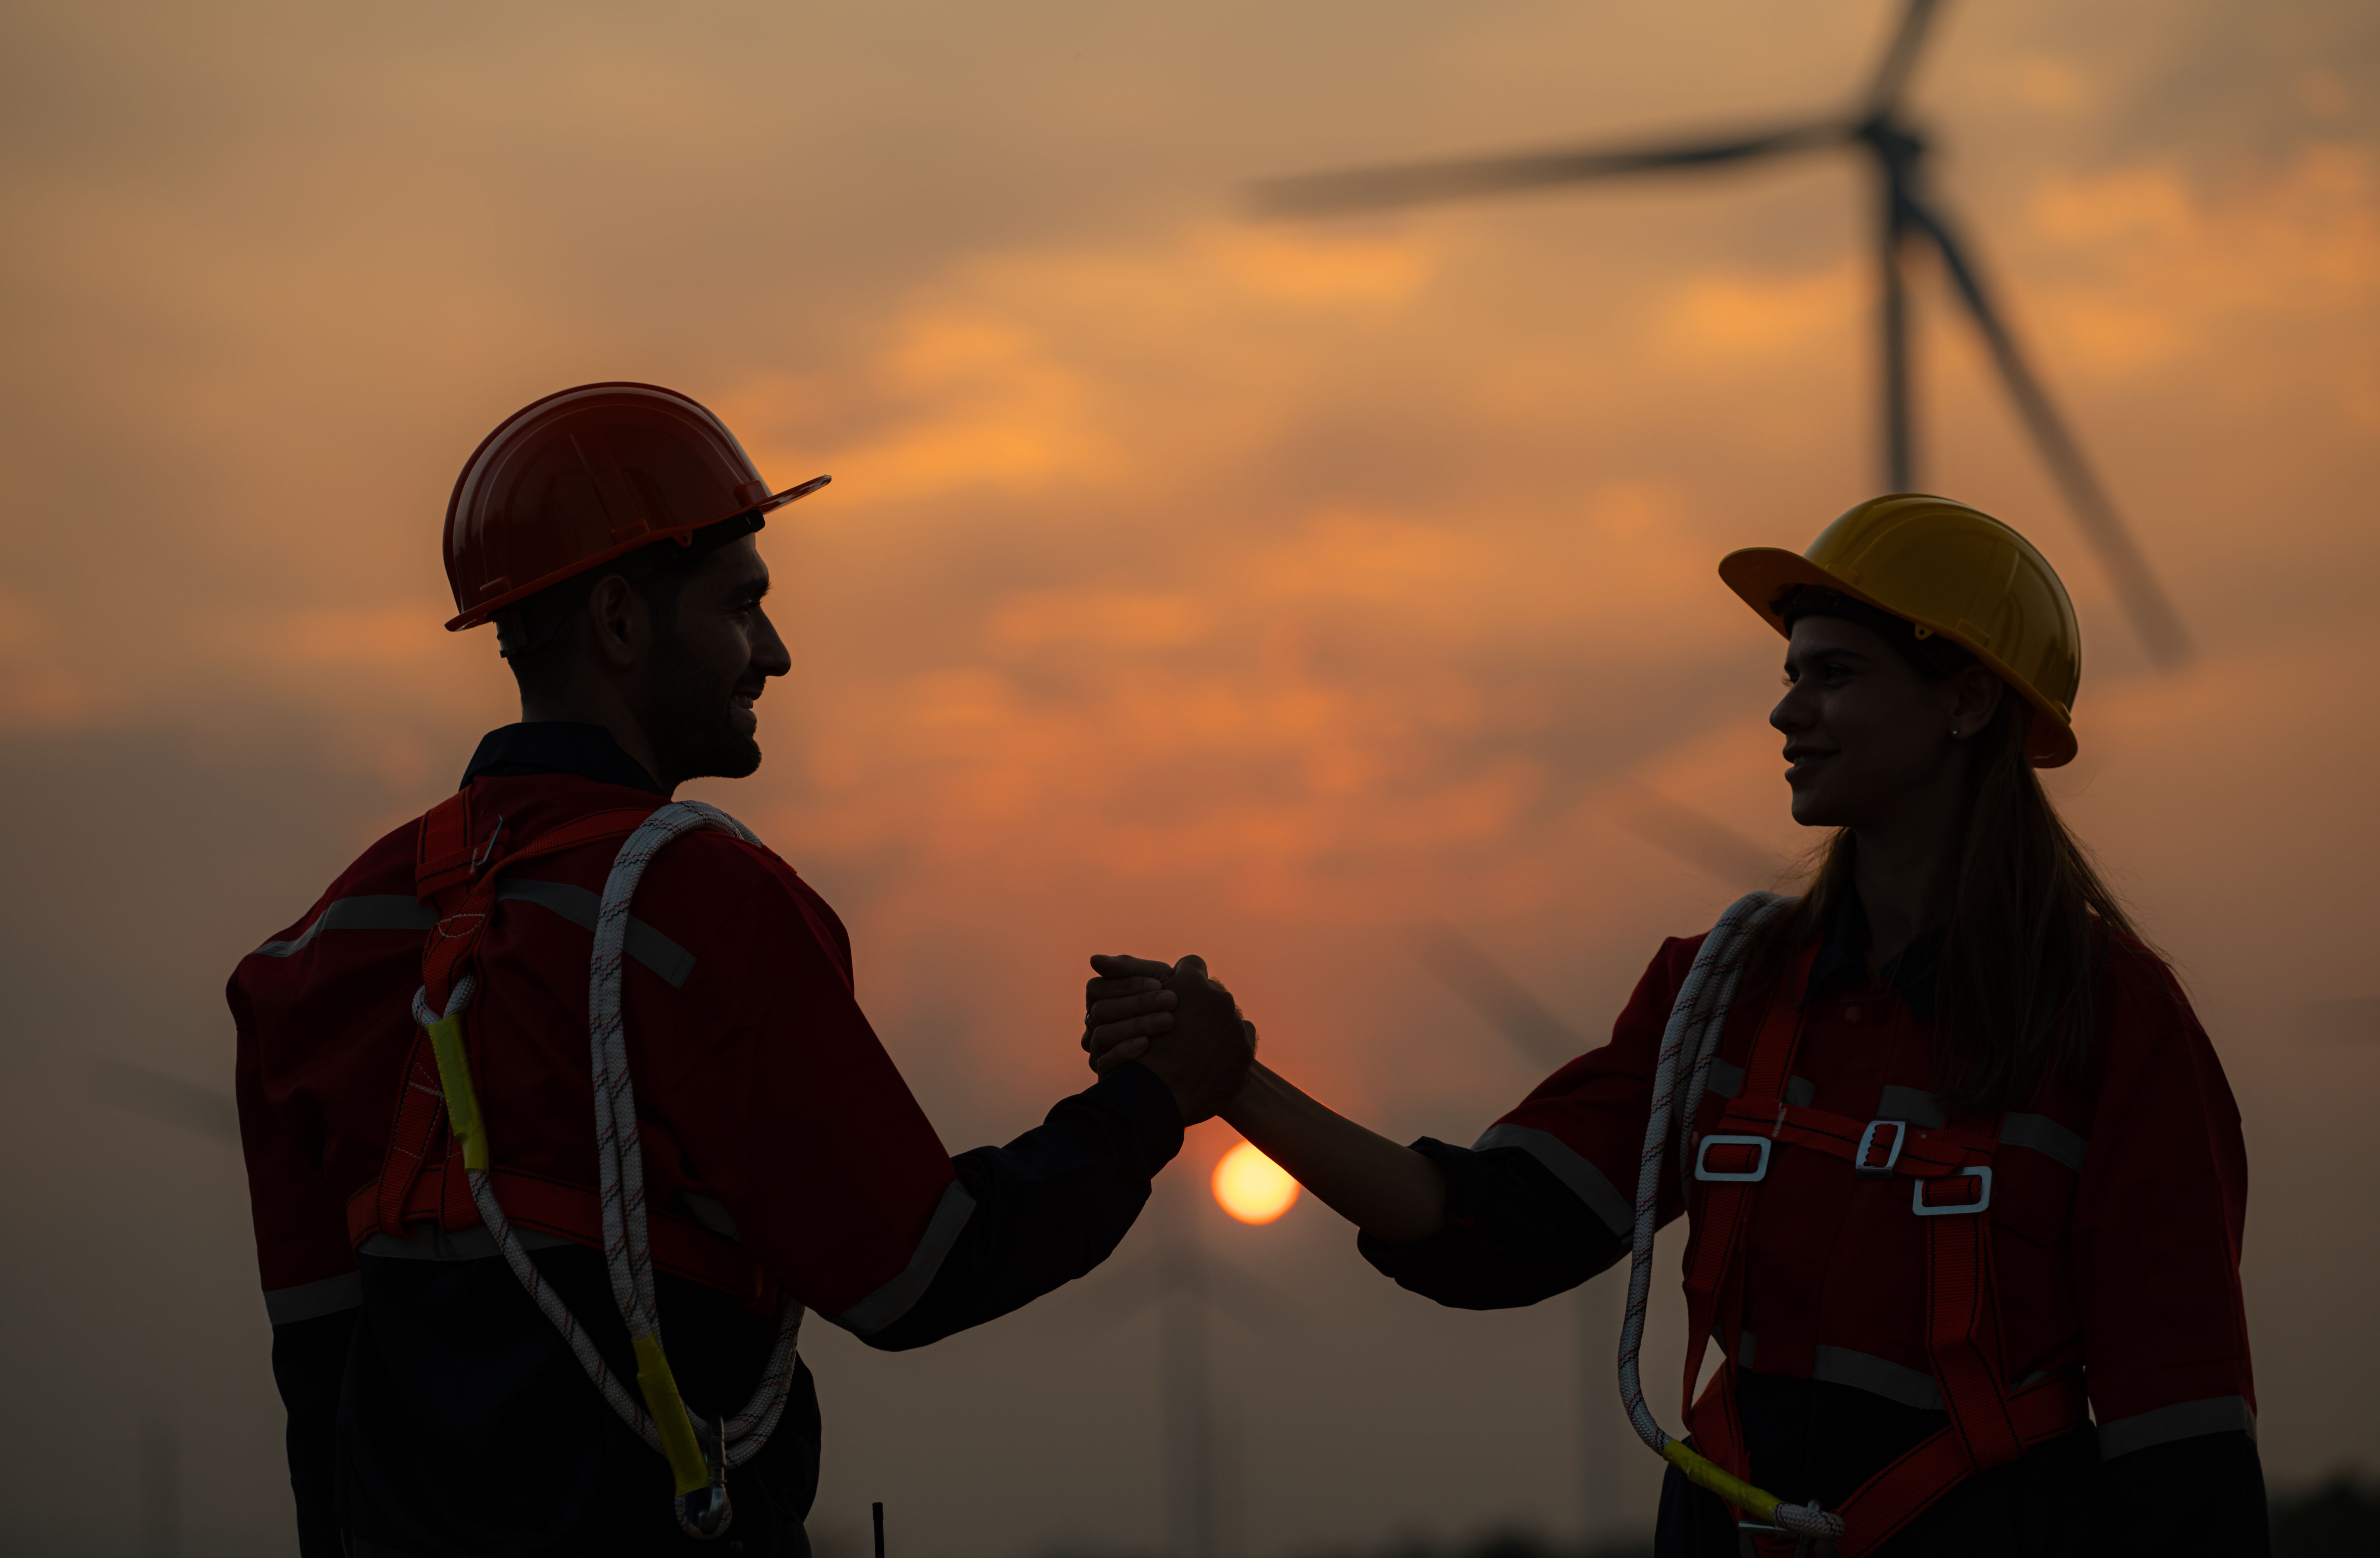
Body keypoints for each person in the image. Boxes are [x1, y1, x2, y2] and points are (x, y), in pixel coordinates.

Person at [1085, 495, 2267, 1556]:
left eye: (1835, 675)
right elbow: (1490, 1227)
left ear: (1966, 701)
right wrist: (1236, 1084)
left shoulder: (2112, 1022)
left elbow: (2186, 1446)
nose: (1785, 710)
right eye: (1793, 670)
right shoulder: (1723, 990)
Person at [232, 382, 1245, 1558]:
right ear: (620, 622)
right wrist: (1155, 1100)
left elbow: (320, 1383)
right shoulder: (698, 904)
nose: (774, 652)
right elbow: (917, 1273)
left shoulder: (313, 955)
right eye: (742, 606)